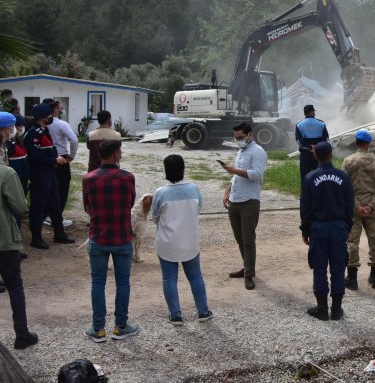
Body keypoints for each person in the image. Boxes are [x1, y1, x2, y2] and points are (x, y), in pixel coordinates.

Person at [82, 139, 139, 342]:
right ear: (116, 154)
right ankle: (121, 326)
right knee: (123, 282)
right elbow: (131, 203)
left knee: (98, 282)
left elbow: (87, 207)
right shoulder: (127, 178)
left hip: (98, 236)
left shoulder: (88, 179)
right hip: (122, 236)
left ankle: (98, 329)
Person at [152, 154, 212, 325]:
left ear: (166, 171)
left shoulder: (161, 193)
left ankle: (176, 315)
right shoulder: (194, 189)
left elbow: (155, 217)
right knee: (195, 276)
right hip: (189, 241)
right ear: (183, 169)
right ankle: (203, 311)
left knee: (169, 279)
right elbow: (198, 209)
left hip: (168, 243)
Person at [300, 142, 354, 321]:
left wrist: (305, 230)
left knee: (319, 268)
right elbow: (349, 206)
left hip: (318, 228)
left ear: (315, 155)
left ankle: (322, 309)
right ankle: (337, 310)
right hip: (339, 227)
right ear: (331, 154)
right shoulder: (344, 177)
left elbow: (305, 208)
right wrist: (348, 227)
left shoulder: (310, 178)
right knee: (338, 267)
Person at [220, 122, 267, 290]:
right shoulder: (240, 152)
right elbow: (236, 178)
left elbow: (256, 174)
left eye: (240, 137)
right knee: (240, 240)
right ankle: (247, 267)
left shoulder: (258, 151)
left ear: (249, 135)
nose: (238, 140)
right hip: (235, 202)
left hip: (249, 202)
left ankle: (249, 275)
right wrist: (227, 192)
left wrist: (233, 170)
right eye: (236, 138)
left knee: (248, 241)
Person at [0, 139, 37, 350]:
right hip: (4, 239)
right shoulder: (6, 173)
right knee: (14, 285)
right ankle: (21, 334)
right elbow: (21, 205)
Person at [23, 103, 75, 249]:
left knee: (55, 204)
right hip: (40, 175)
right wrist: (54, 160)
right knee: (38, 206)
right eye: (49, 115)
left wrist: (56, 158)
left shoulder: (44, 130)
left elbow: (48, 150)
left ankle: (59, 233)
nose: (51, 117)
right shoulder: (33, 133)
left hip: (50, 173)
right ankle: (36, 238)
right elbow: (34, 157)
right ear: (42, 117)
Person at [341, 130, 375, 290]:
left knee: (352, 242)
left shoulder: (348, 161)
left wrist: (358, 206)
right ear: (369, 144)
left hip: (354, 210)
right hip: (372, 210)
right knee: (374, 240)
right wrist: (370, 205)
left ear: (356, 143)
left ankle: (352, 279)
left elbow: (345, 188)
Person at [45, 100, 78, 227]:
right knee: (62, 188)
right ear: (54, 109)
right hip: (61, 158)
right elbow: (74, 140)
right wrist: (72, 156)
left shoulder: (42, 124)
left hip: (46, 157)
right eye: (59, 108)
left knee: (49, 187)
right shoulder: (61, 124)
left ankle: (48, 215)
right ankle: (57, 216)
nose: (61, 110)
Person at [6, 113, 29, 259]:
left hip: (21, 183)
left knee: (17, 216)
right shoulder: (6, 145)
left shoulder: (17, 141)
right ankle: (11, 249)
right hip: (11, 186)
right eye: (16, 126)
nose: (18, 129)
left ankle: (15, 247)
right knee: (12, 217)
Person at [295, 104, 329, 186]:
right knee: (320, 177)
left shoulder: (299, 124)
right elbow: (326, 139)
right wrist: (316, 147)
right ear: (312, 112)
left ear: (305, 113)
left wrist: (309, 147)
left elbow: (298, 140)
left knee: (304, 177)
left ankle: (304, 196)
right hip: (319, 154)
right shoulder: (321, 124)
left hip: (305, 154)